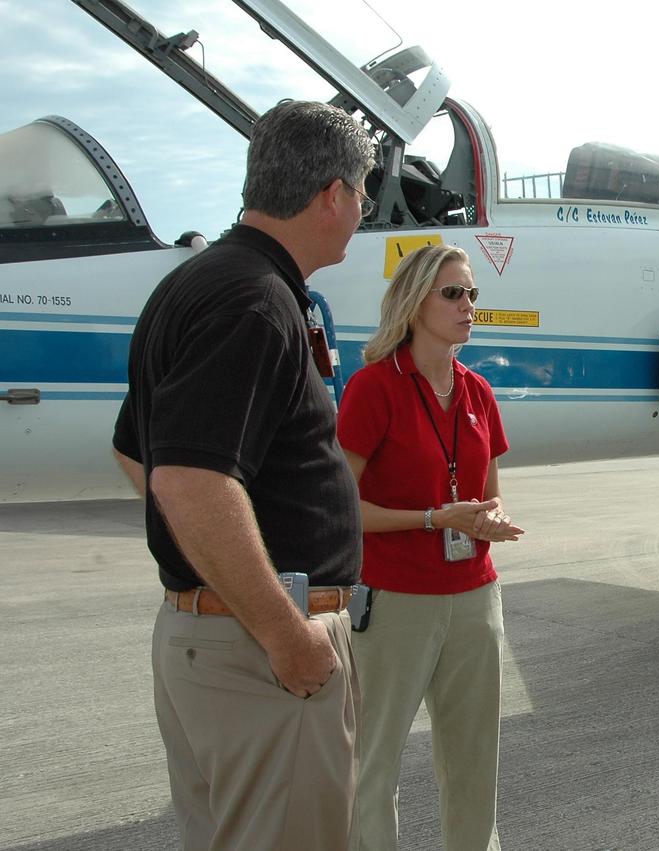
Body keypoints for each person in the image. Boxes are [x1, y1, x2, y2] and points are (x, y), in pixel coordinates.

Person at [110, 100, 378, 850]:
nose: (362, 211)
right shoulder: (255, 301)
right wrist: (284, 633)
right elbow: (189, 482)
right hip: (260, 654)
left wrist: (211, 562)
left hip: (217, 642)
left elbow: (138, 451)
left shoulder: (196, 285)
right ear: (332, 194)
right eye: (361, 194)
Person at [338, 244, 523, 851]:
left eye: (472, 294)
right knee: (376, 763)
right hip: (395, 602)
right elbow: (343, 508)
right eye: (454, 293)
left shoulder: (478, 393)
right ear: (415, 302)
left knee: (475, 763)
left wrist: (488, 522)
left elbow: (488, 498)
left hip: (475, 599)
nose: (468, 305)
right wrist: (431, 517)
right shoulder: (373, 389)